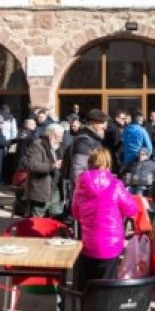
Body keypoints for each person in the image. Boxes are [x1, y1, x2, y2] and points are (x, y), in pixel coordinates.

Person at [70, 147, 138, 286]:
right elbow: (132, 209)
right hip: (111, 244)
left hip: (88, 243)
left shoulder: (81, 184)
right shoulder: (116, 185)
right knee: (107, 285)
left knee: (88, 283)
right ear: (108, 164)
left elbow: (75, 213)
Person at [63, 109, 109, 211]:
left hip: (94, 193)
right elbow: (78, 172)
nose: (105, 127)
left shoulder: (93, 140)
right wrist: (91, 191)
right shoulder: (84, 142)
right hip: (87, 196)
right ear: (92, 124)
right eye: (101, 123)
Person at [18, 123, 64, 217]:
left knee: (56, 215)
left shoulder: (58, 147)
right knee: (37, 217)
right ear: (50, 135)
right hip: (41, 188)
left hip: (55, 188)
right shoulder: (37, 145)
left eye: (61, 137)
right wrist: (52, 166)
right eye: (58, 137)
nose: (60, 140)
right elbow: (32, 165)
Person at [119, 111, 154, 177]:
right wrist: (147, 156)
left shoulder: (125, 130)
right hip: (138, 160)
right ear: (139, 120)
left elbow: (123, 142)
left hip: (126, 159)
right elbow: (149, 147)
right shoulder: (142, 130)